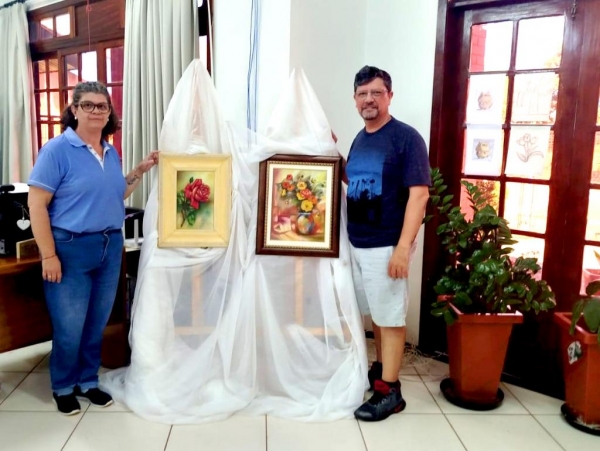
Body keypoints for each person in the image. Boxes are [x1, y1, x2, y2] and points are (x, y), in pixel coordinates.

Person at [28, 81, 158, 415]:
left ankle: (88, 381)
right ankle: (63, 386)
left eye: (102, 106)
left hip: (110, 246)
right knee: (70, 327)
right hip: (70, 249)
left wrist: (139, 171)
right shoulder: (56, 150)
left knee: (96, 323)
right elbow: (37, 204)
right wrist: (48, 255)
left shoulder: (109, 151)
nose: (96, 111)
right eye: (88, 105)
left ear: (109, 112)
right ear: (74, 110)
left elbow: (115, 194)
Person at [345, 66, 430, 421]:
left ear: (389, 96)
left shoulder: (406, 138)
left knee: (391, 317)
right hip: (358, 243)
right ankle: (381, 372)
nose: (369, 99)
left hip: (386, 244)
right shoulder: (360, 138)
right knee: (378, 316)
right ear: (355, 99)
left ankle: (391, 392)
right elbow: (352, 179)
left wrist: (402, 248)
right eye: (362, 94)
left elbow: (420, 195)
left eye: (376, 93)